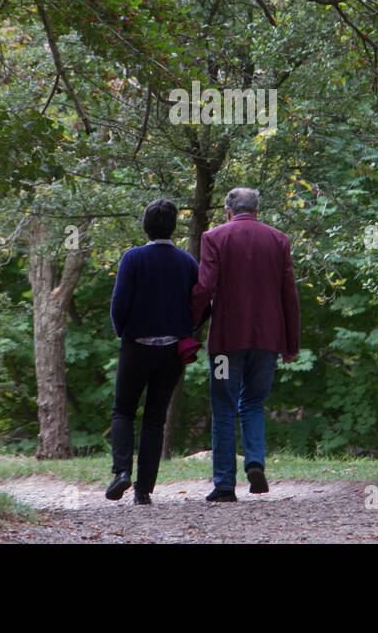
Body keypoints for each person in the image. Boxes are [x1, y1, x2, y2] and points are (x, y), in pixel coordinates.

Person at [192, 187, 300, 501]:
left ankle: (225, 485)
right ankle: (255, 463)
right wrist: (290, 344)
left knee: (224, 406)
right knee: (253, 402)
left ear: (228, 211)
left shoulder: (214, 238)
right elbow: (289, 296)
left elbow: (204, 286)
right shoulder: (279, 240)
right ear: (256, 210)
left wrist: (189, 324)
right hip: (267, 340)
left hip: (227, 341)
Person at [106, 199, 199, 505]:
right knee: (155, 419)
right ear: (173, 227)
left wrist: (125, 334)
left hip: (136, 347)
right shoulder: (187, 263)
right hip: (172, 351)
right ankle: (144, 490)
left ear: (145, 226)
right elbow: (202, 305)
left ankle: (121, 471)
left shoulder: (132, 258)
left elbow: (119, 305)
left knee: (123, 411)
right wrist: (186, 329)